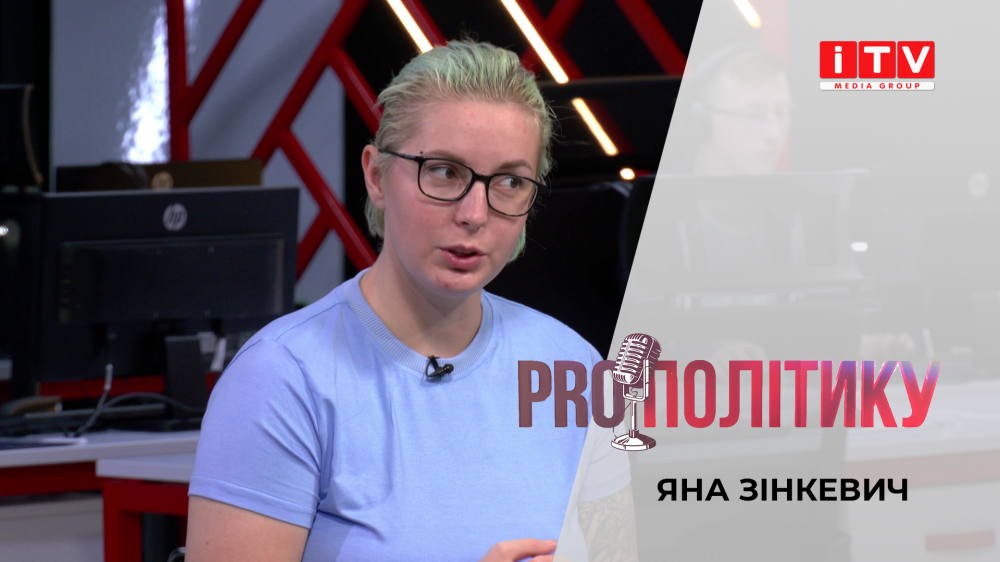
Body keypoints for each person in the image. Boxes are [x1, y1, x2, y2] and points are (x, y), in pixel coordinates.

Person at [185, 40, 634, 562]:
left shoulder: (573, 365)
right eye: (444, 172)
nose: (474, 213)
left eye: (510, 182)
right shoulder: (281, 379)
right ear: (377, 176)